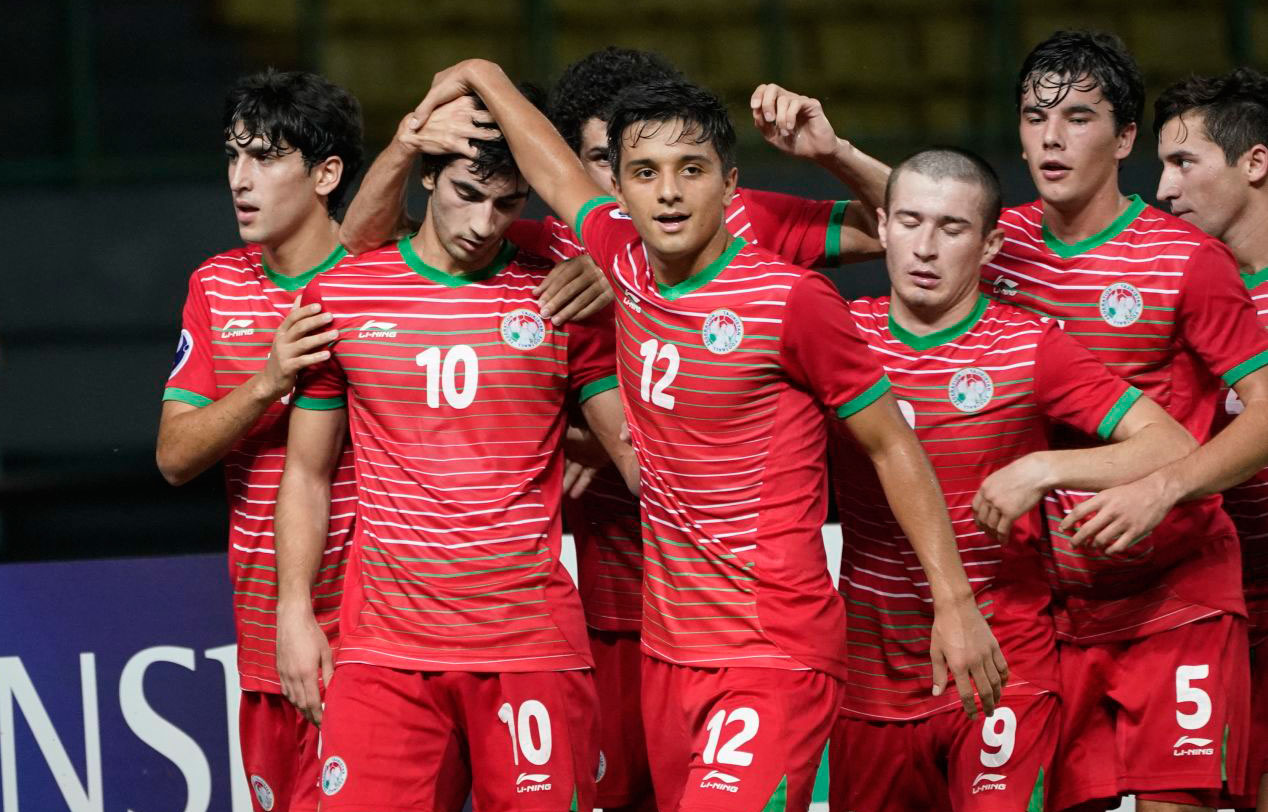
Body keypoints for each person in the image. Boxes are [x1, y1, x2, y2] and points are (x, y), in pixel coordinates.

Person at [407, 60, 1005, 812]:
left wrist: (954, 602)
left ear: (729, 184)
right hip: (668, 654)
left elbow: (893, 445)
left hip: (772, 651)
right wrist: (485, 76)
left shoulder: (792, 301)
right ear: (618, 190)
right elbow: (552, 169)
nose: (668, 192)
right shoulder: (620, 259)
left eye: (691, 169)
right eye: (645, 173)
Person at [273, 99, 637, 812]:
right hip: (385, 654)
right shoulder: (344, 293)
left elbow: (634, 451)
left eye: (507, 205)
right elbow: (307, 473)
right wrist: (295, 612)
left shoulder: (560, 297)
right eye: (467, 194)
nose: (482, 224)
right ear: (428, 176)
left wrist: (633, 288)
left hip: (530, 649)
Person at [831, 147, 1196, 812]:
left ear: (991, 244)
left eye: (952, 228)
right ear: (881, 226)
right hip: (871, 680)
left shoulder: (1030, 347)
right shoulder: (838, 338)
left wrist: (1044, 468)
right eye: (909, 222)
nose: (925, 248)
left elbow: (1168, 443)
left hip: (1004, 667)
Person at [979, 30, 1268, 812]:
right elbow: (917, 217)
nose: (1051, 136)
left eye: (1077, 117)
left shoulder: (1186, 259)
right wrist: (834, 154)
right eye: (1035, 116)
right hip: (1052, 612)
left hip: (1177, 596)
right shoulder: (996, 252)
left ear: (1124, 137)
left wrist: (1163, 487)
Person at [156, 68, 364, 812]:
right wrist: (267, 381)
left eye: (267, 158)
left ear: (325, 175)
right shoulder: (215, 286)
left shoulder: (378, 280)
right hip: (265, 634)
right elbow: (174, 456)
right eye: (233, 155)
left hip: (378, 630)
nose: (240, 180)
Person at [1154, 66, 1268, 812]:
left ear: (1255, 162)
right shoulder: (1176, 294)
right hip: (1209, 603)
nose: (1164, 189)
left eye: (1183, 162)